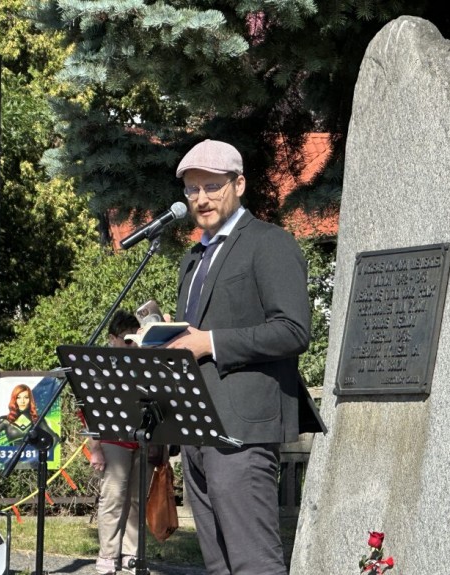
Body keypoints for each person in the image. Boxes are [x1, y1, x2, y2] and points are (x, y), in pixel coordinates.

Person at [164, 139, 316, 575]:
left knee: (253, 564)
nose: (201, 199)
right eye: (192, 190)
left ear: (240, 184)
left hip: (243, 432)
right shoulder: (193, 259)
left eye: (212, 186)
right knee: (219, 565)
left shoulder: (269, 243)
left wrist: (209, 343)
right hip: (196, 427)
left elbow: (293, 330)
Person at [88, 310, 154, 575]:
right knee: (113, 498)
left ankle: (131, 553)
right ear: (112, 338)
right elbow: (89, 408)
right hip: (112, 440)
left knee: (138, 500)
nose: (130, 346)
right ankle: (107, 555)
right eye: (126, 341)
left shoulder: (142, 362)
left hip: (140, 439)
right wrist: (95, 448)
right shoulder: (100, 367)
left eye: (133, 340)